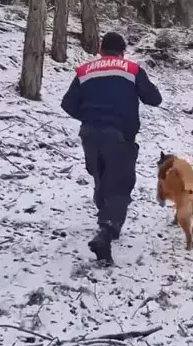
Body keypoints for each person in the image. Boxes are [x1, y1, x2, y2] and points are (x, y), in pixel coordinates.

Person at [61, 32, 162, 265]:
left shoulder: (85, 71)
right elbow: (154, 99)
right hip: (119, 135)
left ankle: (104, 223)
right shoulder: (132, 70)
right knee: (119, 184)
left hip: (89, 134)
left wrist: (88, 117)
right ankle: (107, 231)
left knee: (100, 176)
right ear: (123, 51)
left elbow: (68, 104)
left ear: (100, 48)